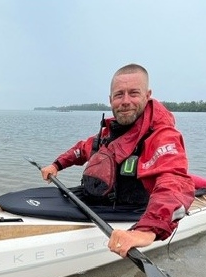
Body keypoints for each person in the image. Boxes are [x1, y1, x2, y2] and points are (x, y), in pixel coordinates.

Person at [40, 63, 195, 258]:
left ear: (147, 96)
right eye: (119, 94)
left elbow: (174, 182)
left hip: (135, 211)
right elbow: (83, 148)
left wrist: (145, 231)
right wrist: (57, 165)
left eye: (134, 93)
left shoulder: (162, 136)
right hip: (100, 201)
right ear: (110, 99)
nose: (125, 101)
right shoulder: (109, 133)